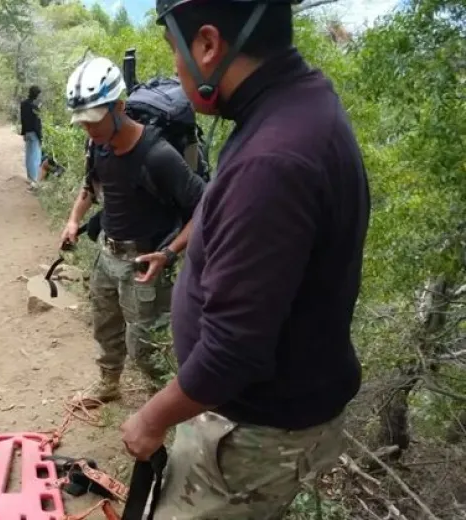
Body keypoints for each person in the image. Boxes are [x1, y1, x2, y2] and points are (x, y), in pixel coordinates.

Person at [118, 1, 369, 518]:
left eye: (175, 51)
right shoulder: (297, 103)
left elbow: (235, 349)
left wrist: (150, 419)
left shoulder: (273, 160)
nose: (177, 72)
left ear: (208, 45)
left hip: (253, 432)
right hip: (266, 412)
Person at [60, 56, 206, 409]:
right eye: (83, 122)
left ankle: (167, 407)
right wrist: (73, 221)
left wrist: (170, 252)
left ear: (119, 107)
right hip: (107, 255)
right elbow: (90, 188)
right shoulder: (98, 145)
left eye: (94, 120)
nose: (89, 130)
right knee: (105, 327)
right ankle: (108, 384)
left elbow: (205, 207)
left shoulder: (157, 155)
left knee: (146, 346)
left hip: (145, 264)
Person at [19, 85, 43, 188]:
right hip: (34, 133)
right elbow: (37, 124)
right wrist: (40, 136)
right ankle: (34, 180)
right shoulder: (34, 107)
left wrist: (23, 133)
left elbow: (22, 119)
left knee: (29, 156)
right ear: (37, 95)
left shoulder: (23, 104)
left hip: (27, 132)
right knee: (35, 157)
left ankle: (30, 177)